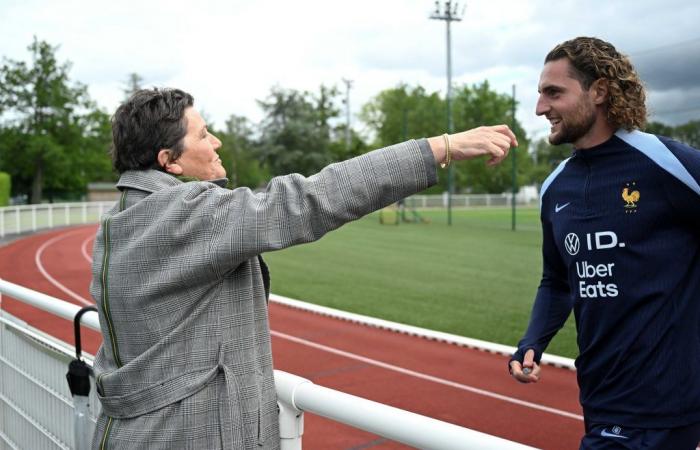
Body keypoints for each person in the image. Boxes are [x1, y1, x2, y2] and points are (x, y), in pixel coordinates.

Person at [90, 87, 517, 449]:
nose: (217, 142)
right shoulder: (184, 215)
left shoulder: (121, 221)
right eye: (203, 135)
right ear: (170, 160)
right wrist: (439, 147)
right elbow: (311, 199)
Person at [509, 36, 700, 449]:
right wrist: (532, 342)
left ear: (598, 91)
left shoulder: (668, 164)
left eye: (553, 93)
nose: (541, 108)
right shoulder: (555, 188)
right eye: (540, 94)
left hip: (659, 406)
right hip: (599, 396)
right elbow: (558, 280)